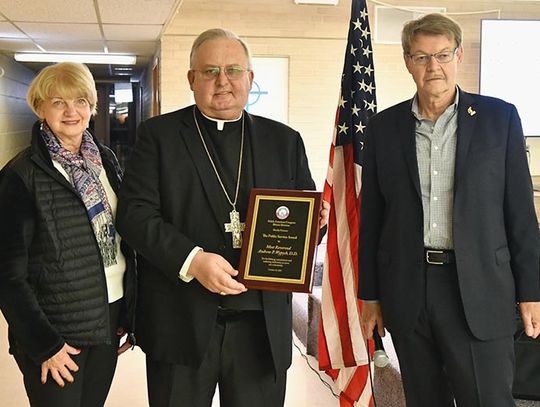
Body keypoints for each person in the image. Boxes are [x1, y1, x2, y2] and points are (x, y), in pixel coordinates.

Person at [116, 28, 328, 407]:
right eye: (210, 71)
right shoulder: (158, 136)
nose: (223, 81)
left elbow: (301, 220)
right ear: (191, 79)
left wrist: (318, 221)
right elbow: (134, 215)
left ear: (250, 78)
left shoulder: (284, 141)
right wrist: (192, 260)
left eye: (233, 70)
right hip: (180, 321)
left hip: (260, 328)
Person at [358, 13, 540, 407]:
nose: (433, 67)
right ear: (408, 61)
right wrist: (369, 295)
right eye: (421, 57)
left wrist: (532, 292)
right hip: (409, 290)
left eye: (442, 55)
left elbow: (521, 215)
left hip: (480, 289)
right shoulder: (383, 128)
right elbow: (371, 219)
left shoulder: (499, 119)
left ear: (458, 55)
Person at [0, 62, 136, 407]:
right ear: (40, 107)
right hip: (57, 327)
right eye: (58, 102)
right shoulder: (21, 174)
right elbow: (8, 274)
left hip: (108, 315)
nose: (71, 111)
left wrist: (127, 314)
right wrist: (44, 344)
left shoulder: (104, 159)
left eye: (80, 100)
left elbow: (122, 239)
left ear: (92, 106)